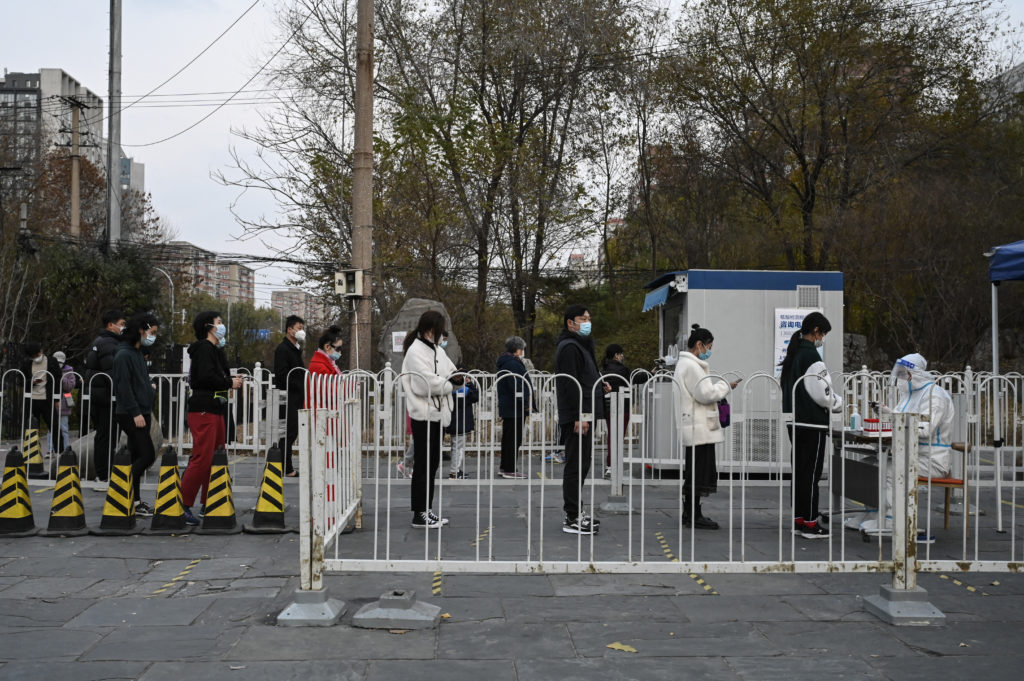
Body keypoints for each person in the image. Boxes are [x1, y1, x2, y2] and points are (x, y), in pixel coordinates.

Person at [780, 311, 842, 539]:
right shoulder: (812, 357)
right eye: (823, 333)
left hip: (795, 422)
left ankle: (798, 519)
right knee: (812, 474)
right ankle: (810, 523)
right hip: (812, 423)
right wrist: (838, 403)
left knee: (799, 473)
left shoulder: (793, 355)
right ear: (816, 331)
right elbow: (823, 394)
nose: (822, 338)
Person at [181, 311, 244, 526]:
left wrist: (229, 380)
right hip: (204, 408)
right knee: (202, 457)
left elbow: (216, 376)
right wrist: (228, 383)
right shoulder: (203, 349)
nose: (222, 326)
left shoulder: (215, 350)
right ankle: (182, 504)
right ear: (209, 327)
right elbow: (205, 377)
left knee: (216, 456)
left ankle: (210, 501)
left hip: (215, 408)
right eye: (219, 323)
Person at [673, 325, 739, 530]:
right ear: (699, 344)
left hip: (693, 425)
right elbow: (705, 394)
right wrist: (725, 386)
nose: (709, 350)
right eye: (708, 346)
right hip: (698, 427)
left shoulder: (684, 364)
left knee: (694, 470)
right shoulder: (692, 366)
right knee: (699, 472)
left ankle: (690, 512)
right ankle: (693, 514)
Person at [554, 304, 609, 535]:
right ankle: (572, 516)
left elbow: (584, 377)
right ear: (570, 323)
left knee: (583, 462)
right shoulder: (569, 347)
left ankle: (577, 511)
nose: (587, 321)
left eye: (588, 317)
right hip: (579, 415)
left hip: (586, 412)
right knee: (576, 464)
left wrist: (599, 383)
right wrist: (579, 416)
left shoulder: (581, 345)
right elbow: (570, 383)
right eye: (582, 318)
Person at [401, 310, 456, 529]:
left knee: (432, 463)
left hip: (437, 415)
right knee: (423, 465)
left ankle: (427, 509)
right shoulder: (415, 351)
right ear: (430, 330)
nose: (442, 336)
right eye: (440, 331)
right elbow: (426, 385)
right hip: (423, 415)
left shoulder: (436, 350)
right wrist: (451, 384)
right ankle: (419, 512)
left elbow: (451, 371)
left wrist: (457, 377)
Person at [112, 312, 161, 517]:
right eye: (152, 332)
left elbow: (137, 381)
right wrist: (135, 412)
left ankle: (135, 500)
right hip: (132, 413)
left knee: (135, 454)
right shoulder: (123, 354)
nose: (153, 336)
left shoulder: (137, 353)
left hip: (142, 411)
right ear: (141, 330)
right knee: (147, 454)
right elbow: (123, 387)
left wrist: (149, 390)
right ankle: (122, 493)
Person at [84, 310, 126, 482]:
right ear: (111, 325)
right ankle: (104, 474)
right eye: (122, 323)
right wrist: (122, 394)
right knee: (107, 437)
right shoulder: (108, 343)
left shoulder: (102, 341)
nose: (124, 327)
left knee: (104, 436)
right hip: (107, 399)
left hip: (100, 396)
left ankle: (104, 472)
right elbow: (112, 372)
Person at [600, 344, 648, 475]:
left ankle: (610, 465)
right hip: (623, 408)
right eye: (621, 354)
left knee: (611, 435)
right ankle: (614, 465)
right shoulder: (623, 370)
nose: (622, 356)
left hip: (608, 407)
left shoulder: (604, 370)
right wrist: (651, 374)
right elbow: (636, 377)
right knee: (618, 436)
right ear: (616, 355)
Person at [273, 314, 305, 477]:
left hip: (297, 396)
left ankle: (284, 465)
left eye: (302, 328)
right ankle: (286, 467)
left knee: (291, 432)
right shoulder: (283, 349)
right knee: (288, 432)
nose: (302, 331)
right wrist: (299, 383)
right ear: (290, 330)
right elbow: (282, 374)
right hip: (288, 397)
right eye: (299, 328)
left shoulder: (296, 349)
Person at [496, 336, 532, 479]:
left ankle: (505, 466)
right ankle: (510, 468)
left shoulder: (506, 362)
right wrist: (525, 403)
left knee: (509, 438)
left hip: (510, 406)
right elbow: (517, 386)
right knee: (513, 439)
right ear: (518, 350)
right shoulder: (513, 364)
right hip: (515, 407)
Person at [21, 342, 63, 455]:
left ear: (41, 351)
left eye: (37, 354)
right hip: (32, 399)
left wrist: (57, 398)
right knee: (32, 427)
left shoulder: (52, 361)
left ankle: (60, 452)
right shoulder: (27, 363)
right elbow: (21, 381)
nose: (36, 357)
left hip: (47, 399)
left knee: (54, 426)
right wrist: (32, 382)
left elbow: (58, 379)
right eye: (33, 356)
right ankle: (33, 452)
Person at [446, 368, 478, 479]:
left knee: (455, 447)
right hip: (462, 423)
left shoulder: (448, 389)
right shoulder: (466, 390)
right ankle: (454, 472)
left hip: (453, 422)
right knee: (458, 449)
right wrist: (470, 384)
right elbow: (476, 397)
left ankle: (455, 470)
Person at [51, 351, 79, 455]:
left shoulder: (69, 371)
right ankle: (51, 449)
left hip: (63, 403)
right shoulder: (49, 369)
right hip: (52, 402)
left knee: (64, 428)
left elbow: (70, 387)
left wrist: (62, 379)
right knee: (51, 429)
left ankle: (66, 449)